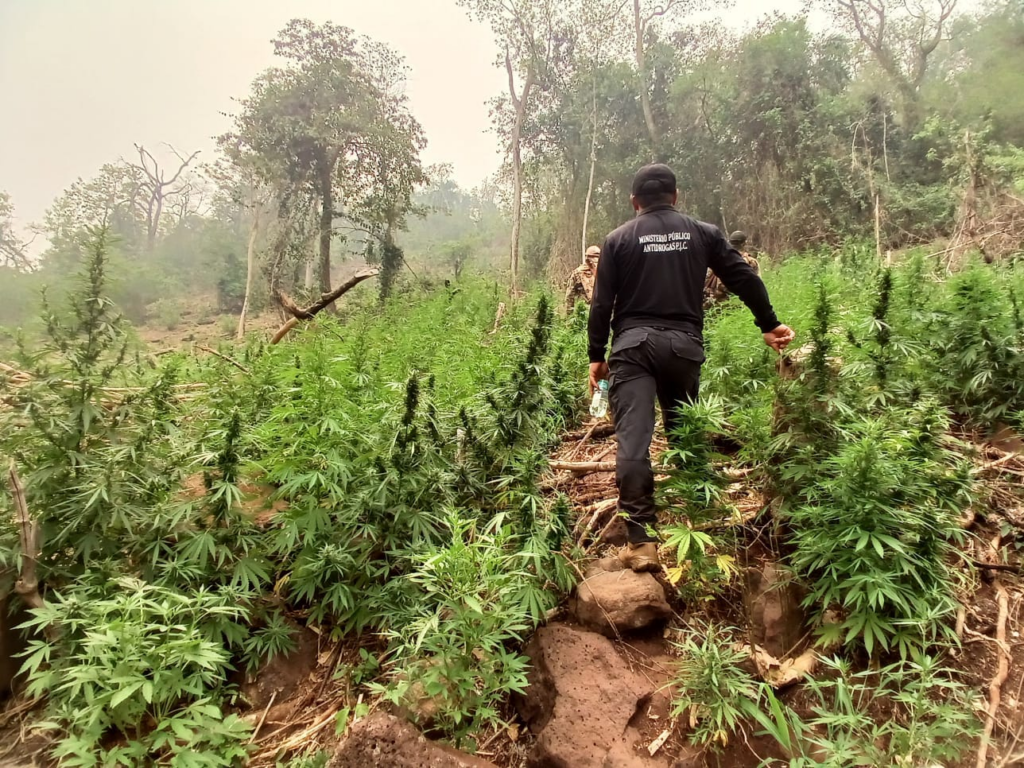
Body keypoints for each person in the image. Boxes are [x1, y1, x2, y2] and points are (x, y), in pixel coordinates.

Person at [588, 164, 795, 572]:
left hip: (632, 346)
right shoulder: (703, 232)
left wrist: (597, 355)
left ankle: (642, 541)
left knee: (633, 440)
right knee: (684, 429)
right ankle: (698, 521)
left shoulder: (617, 239)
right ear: (675, 196)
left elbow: (601, 303)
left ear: (634, 202)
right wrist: (769, 325)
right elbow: (743, 277)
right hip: (684, 346)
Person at [703, 230, 761, 308]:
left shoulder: (716, 259)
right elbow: (757, 286)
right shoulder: (751, 261)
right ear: (744, 243)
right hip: (736, 306)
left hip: (711, 305)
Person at [565, 245, 602, 314]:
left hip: (587, 312)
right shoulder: (578, 273)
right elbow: (570, 296)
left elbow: (569, 296)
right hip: (585, 311)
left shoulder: (604, 272)